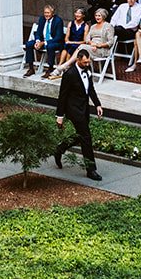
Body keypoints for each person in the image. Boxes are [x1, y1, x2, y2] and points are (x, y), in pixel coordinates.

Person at [53, 47, 104, 181]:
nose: (87, 65)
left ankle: (59, 149)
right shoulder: (69, 74)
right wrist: (59, 116)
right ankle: (91, 170)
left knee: (81, 136)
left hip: (84, 108)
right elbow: (62, 96)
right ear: (78, 60)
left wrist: (97, 104)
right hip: (73, 110)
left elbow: (90, 89)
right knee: (86, 137)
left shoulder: (88, 70)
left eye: (88, 62)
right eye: (85, 63)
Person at [25, 5, 63, 77]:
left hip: (54, 42)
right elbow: (38, 32)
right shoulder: (42, 19)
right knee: (28, 44)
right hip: (42, 40)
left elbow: (58, 37)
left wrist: (44, 43)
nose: (46, 15)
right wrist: (38, 41)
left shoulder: (58, 21)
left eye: (48, 13)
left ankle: (50, 69)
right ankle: (31, 68)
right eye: (45, 13)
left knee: (50, 46)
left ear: (53, 13)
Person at [108, 0, 141, 67]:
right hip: (118, 30)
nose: (130, 0)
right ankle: (107, 53)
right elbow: (114, 18)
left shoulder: (139, 8)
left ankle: (107, 50)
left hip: (130, 31)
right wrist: (111, 27)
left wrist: (121, 27)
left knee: (117, 30)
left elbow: (135, 22)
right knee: (110, 30)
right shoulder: (122, 6)